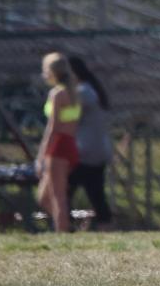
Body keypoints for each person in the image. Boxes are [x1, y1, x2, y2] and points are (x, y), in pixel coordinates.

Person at [67, 56, 115, 229]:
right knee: (96, 193)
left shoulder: (82, 92)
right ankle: (105, 225)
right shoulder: (92, 89)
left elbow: (69, 118)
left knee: (65, 190)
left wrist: (54, 107)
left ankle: (66, 225)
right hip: (98, 149)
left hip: (84, 151)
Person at [36, 52, 81, 233]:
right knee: (44, 197)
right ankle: (66, 227)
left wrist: (41, 154)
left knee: (57, 195)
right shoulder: (74, 92)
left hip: (58, 145)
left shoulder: (57, 93)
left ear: (52, 72)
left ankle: (62, 233)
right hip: (70, 144)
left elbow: (52, 128)